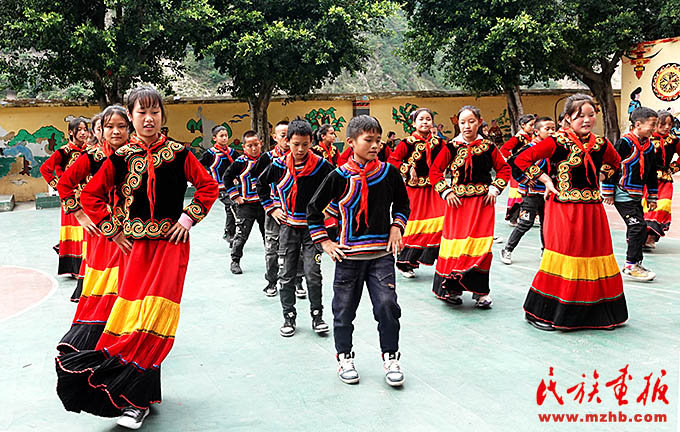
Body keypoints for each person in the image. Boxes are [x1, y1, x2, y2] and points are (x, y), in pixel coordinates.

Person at [55, 86, 218, 429]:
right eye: (141, 113)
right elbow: (92, 196)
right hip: (133, 251)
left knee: (155, 321)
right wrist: (113, 229)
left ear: (162, 116)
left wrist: (187, 219)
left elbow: (208, 187)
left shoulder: (180, 153)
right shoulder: (119, 157)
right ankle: (135, 399)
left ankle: (136, 400)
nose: (148, 119)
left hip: (171, 250)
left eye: (155, 112)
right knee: (132, 322)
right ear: (132, 117)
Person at [307, 115, 410, 387]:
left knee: (387, 306)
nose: (375, 145)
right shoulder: (337, 176)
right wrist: (326, 242)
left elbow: (402, 204)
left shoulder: (388, 173)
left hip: (381, 255)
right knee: (343, 310)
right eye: (369, 140)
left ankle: (391, 356)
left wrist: (397, 226)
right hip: (348, 257)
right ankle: (344, 356)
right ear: (351, 142)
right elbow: (313, 211)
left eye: (378, 140)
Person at [509, 93, 627, 331]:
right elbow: (520, 160)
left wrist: (601, 176)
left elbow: (617, 163)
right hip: (564, 209)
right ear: (567, 118)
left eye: (591, 115)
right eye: (580, 116)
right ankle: (542, 312)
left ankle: (597, 315)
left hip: (593, 210)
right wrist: (545, 180)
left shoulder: (601, 143)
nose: (587, 120)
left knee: (595, 255)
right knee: (565, 256)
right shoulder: (556, 141)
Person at [55, 105, 130, 353]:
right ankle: (95, 337)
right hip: (103, 231)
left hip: (132, 233)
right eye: (109, 127)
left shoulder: (137, 155)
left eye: (121, 126)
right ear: (101, 131)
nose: (115, 132)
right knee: (103, 283)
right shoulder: (93, 157)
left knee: (128, 285)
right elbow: (65, 183)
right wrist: (79, 212)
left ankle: (124, 334)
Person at [257, 119, 334, 336]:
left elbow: (339, 185)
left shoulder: (321, 165)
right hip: (288, 228)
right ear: (287, 141)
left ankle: (317, 315)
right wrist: (272, 209)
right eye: (296, 144)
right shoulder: (279, 165)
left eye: (305, 145)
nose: (300, 149)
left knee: (313, 273)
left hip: (314, 230)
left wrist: (330, 211)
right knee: (287, 273)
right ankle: (288, 316)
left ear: (311, 143)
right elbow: (261, 185)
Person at [430, 105, 510, 308]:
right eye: (462, 122)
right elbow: (435, 172)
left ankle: (480, 292)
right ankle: (453, 290)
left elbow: (504, 169)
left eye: (471, 121)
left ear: (480, 122)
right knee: (456, 246)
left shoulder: (490, 147)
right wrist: (446, 191)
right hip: (457, 206)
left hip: (483, 205)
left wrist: (494, 189)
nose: (467, 126)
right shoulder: (450, 147)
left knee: (480, 245)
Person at [388, 108, 446, 278]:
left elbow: (449, 158)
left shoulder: (440, 143)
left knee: (440, 222)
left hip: (434, 190)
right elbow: (393, 160)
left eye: (428, 119)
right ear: (414, 123)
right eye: (421, 119)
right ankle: (405, 262)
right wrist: (407, 168)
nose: (425, 122)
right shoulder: (406, 143)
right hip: (414, 191)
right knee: (414, 226)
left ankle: (434, 258)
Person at [602, 107, 659, 281]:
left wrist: (652, 196)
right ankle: (631, 265)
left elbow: (651, 172)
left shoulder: (649, 147)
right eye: (652, 125)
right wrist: (608, 191)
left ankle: (636, 262)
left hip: (636, 195)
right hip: (622, 193)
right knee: (637, 227)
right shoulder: (624, 143)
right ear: (638, 124)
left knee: (639, 228)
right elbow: (609, 167)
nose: (654, 129)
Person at [500, 116, 556, 265]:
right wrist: (524, 180)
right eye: (547, 129)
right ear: (537, 131)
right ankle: (507, 249)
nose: (551, 132)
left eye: (553, 129)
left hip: (547, 193)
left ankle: (545, 250)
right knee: (526, 222)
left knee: (546, 223)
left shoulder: (554, 149)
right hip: (530, 193)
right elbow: (513, 164)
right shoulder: (529, 148)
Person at [40, 117, 90, 279]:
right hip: (70, 200)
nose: (83, 133)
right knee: (75, 233)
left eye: (85, 129)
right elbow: (45, 169)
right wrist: (58, 186)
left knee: (85, 233)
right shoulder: (63, 152)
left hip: (87, 199)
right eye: (79, 129)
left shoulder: (90, 151)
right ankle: (75, 269)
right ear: (71, 132)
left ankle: (85, 267)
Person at [223, 131, 267, 276]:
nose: (254, 148)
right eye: (250, 146)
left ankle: (272, 262)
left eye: (256, 145)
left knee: (269, 235)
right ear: (244, 147)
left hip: (265, 205)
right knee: (241, 234)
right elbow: (227, 177)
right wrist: (235, 196)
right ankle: (235, 261)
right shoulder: (240, 162)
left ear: (260, 143)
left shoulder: (267, 160)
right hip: (246, 205)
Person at [644, 110, 680, 249]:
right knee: (646, 207)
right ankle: (641, 238)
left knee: (662, 207)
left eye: (669, 124)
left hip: (665, 179)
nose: (666, 127)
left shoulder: (674, 140)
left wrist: (674, 167)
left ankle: (652, 238)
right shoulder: (647, 139)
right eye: (663, 124)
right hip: (647, 179)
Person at [200, 125, 239, 245]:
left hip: (231, 187)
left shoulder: (232, 152)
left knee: (230, 209)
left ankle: (229, 233)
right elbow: (197, 166)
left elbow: (240, 166)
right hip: (218, 188)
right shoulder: (210, 154)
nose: (224, 138)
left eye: (226, 136)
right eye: (221, 136)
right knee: (233, 205)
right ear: (214, 138)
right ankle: (231, 233)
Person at [500, 114, 536, 226]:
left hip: (527, 168)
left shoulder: (531, 137)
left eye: (534, 125)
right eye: (530, 125)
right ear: (523, 125)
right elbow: (504, 149)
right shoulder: (518, 138)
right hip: (517, 170)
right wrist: (513, 159)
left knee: (526, 192)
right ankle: (513, 218)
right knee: (517, 194)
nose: (533, 127)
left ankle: (527, 215)